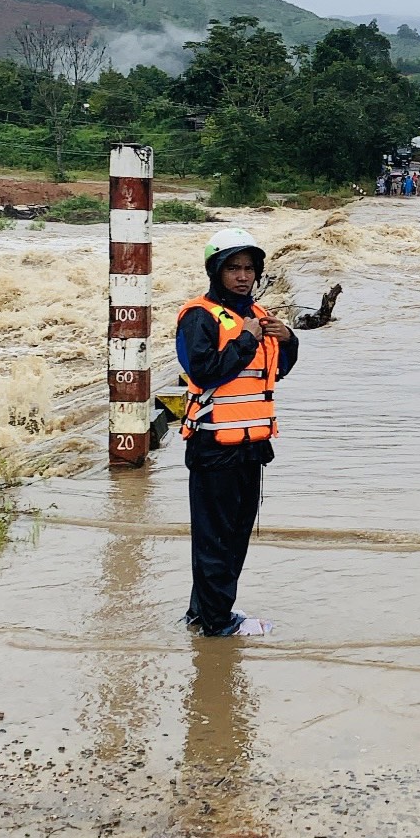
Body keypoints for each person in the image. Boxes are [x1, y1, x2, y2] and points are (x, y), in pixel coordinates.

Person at [176, 227, 299, 637]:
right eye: (233, 268)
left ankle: (203, 610)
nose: (243, 276)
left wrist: (290, 340)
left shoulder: (259, 316)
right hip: (214, 447)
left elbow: (273, 372)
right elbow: (204, 370)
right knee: (216, 541)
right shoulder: (200, 316)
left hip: (250, 448)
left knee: (234, 539)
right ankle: (217, 623)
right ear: (216, 271)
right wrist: (247, 339)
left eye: (249, 268)